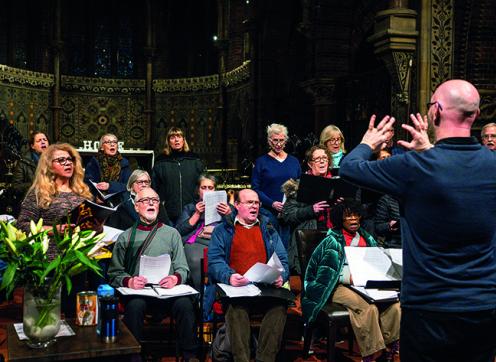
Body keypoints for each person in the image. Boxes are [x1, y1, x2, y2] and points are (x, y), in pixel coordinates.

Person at [339, 79, 496, 362]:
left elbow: (350, 169)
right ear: (474, 116)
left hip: (429, 308)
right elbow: (455, 174)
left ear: (435, 111)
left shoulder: (414, 167)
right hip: (483, 306)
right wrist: (430, 152)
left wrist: (368, 143)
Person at [302, 199, 400, 362]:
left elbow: (376, 262)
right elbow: (325, 273)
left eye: (356, 215)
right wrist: (348, 277)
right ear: (341, 219)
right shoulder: (331, 241)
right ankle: (370, 354)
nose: (353, 219)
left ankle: (389, 348)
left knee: (395, 305)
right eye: (348, 216)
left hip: (366, 284)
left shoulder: (367, 238)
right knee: (367, 308)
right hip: (338, 286)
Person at [108, 187, 199, 362]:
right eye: (145, 200)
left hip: (168, 292)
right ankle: (133, 355)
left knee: (185, 305)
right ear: (136, 207)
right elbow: (114, 273)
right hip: (140, 293)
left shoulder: (172, 234)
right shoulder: (126, 237)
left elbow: (182, 267)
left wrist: (175, 278)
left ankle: (189, 355)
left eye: (155, 200)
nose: (150, 203)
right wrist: (129, 281)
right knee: (134, 306)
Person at [208, 189, 290, 362]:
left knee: (279, 307)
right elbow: (215, 262)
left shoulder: (268, 229)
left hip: (265, 288)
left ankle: (264, 359)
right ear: (237, 205)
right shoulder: (223, 230)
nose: (254, 206)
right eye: (249, 202)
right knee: (236, 309)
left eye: (257, 203)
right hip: (237, 289)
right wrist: (229, 276)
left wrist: (281, 276)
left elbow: (282, 259)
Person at [17, 143, 93, 250]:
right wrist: (52, 230)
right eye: (61, 160)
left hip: (80, 256)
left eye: (70, 159)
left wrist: (98, 227)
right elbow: (22, 226)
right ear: (49, 166)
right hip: (50, 256)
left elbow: (91, 229)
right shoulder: (40, 193)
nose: (68, 163)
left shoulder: (83, 192)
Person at [280, 145, 333, 273]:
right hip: (308, 239)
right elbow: (287, 215)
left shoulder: (335, 184)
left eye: (325, 158)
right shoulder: (298, 186)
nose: (321, 161)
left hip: (332, 236)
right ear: (310, 164)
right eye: (317, 159)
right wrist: (310, 210)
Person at [176, 174, 231, 291]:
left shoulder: (227, 206)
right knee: (195, 260)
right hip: (197, 241)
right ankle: (200, 295)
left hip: (219, 241)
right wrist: (196, 214)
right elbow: (178, 231)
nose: (207, 191)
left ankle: (218, 296)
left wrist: (228, 215)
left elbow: (236, 227)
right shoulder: (190, 207)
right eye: (203, 187)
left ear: (215, 189)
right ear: (198, 190)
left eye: (210, 188)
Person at [251, 123, 301, 248]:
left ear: (286, 141)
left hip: (290, 212)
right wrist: (272, 203)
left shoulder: (294, 162)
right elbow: (255, 188)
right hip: (269, 213)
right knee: (271, 247)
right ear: (269, 141)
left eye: (281, 140)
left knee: (288, 248)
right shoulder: (261, 162)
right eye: (275, 140)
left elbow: (300, 184)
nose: (278, 144)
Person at [152, 127, 204, 225]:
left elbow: (203, 185)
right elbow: (154, 187)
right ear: (168, 141)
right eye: (172, 137)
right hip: (168, 213)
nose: (176, 140)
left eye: (179, 136)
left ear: (183, 140)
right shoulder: (161, 161)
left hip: (191, 212)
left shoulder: (195, 160)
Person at [105, 169, 171, 230]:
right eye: (140, 182)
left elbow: (166, 226)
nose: (144, 185)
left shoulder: (155, 202)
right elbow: (113, 227)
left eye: (146, 182)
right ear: (131, 185)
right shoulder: (120, 201)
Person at [12, 131, 50, 197]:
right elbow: (16, 187)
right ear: (32, 146)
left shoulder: (55, 159)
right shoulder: (23, 162)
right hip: (32, 199)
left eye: (45, 140)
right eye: (39, 141)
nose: (43, 142)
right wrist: (36, 184)